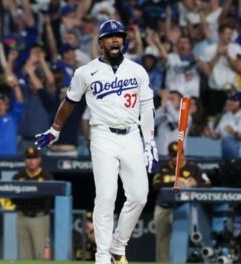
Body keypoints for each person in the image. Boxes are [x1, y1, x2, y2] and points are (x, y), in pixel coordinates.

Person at [35, 20, 158, 264]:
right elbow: (69, 102)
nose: (115, 40)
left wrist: (150, 142)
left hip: (132, 134)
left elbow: (147, 107)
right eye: (110, 36)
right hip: (102, 135)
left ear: (124, 40)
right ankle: (102, 257)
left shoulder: (137, 70)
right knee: (106, 195)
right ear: (100, 42)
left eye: (119, 36)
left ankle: (118, 245)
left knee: (140, 196)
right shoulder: (85, 72)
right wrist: (55, 129)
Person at [152, 141, 211, 262]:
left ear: (183, 154)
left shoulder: (193, 168)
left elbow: (208, 183)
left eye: (179, 155)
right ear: (169, 156)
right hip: (163, 207)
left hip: (182, 207)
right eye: (173, 156)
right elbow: (155, 184)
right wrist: (175, 183)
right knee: (162, 240)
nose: (176, 158)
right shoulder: (163, 168)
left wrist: (196, 183)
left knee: (181, 237)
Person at [13, 146, 53, 260]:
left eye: (34, 158)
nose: (31, 161)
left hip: (39, 218)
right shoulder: (18, 177)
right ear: (25, 160)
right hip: (22, 217)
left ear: (39, 159)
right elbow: (14, 199)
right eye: (29, 158)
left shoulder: (46, 176)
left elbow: (47, 199)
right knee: (24, 255)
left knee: (40, 254)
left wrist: (26, 194)